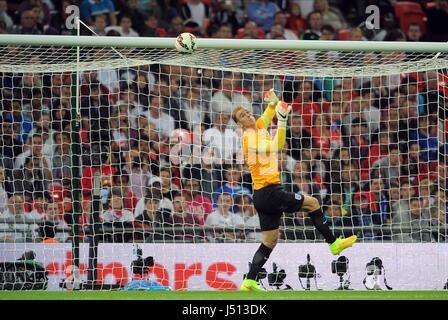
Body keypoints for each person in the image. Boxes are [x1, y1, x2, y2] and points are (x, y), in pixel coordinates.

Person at [232, 89, 357, 292]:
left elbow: (270, 112)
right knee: (313, 203)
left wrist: (273, 102)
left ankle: (249, 280)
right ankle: (334, 243)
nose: (248, 115)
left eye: (247, 112)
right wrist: (282, 121)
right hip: (270, 191)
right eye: (243, 116)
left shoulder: (257, 127)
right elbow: (278, 144)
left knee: (270, 240)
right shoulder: (250, 138)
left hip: (262, 195)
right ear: (240, 125)